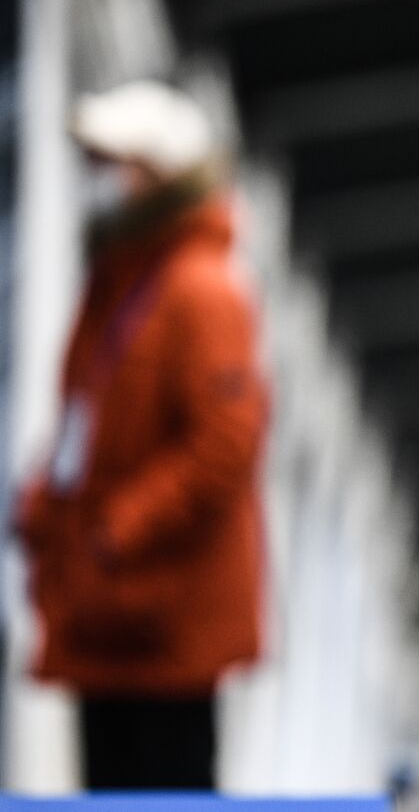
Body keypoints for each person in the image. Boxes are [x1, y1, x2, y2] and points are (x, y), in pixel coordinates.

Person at [13, 80, 268, 790]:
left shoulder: (200, 291)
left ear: (158, 175)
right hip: (107, 610)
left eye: (110, 162)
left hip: (164, 616)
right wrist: (46, 511)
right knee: (113, 785)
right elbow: (84, 429)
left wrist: (114, 531)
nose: (95, 179)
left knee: (165, 784)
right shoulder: (119, 284)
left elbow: (225, 444)